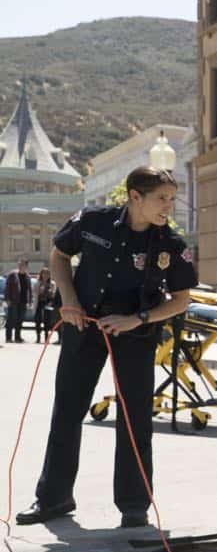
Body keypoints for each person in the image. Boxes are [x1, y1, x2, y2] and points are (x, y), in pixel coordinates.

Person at [16, 167, 198, 529]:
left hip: (135, 336)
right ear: (135, 196)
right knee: (67, 412)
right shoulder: (91, 221)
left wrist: (138, 319)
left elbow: (181, 300)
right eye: (161, 198)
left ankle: (134, 505)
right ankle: (54, 498)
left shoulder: (172, 245)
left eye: (171, 198)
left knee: (135, 419)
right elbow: (59, 255)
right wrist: (69, 300)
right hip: (83, 329)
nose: (169, 206)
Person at [4, 258, 32, 343]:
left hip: (23, 301)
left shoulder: (27, 276)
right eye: (19, 264)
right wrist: (7, 299)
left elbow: (29, 290)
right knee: (11, 319)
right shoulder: (12, 274)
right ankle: (8, 338)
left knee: (20, 320)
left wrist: (30, 301)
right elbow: (7, 287)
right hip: (13, 301)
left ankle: (17, 337)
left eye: (22, 264)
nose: (20, 266)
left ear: (26, 266)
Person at [34, 266, 58, 343]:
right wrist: (40, 290)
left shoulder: (52, 283)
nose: (45, 275)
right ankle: (38, 337)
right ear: (41, 274)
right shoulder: (37, 283)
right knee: (38, 320)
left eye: (47, 274)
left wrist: (51, 293)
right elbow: (35, 293)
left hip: (48, 303)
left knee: (47, 321)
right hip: (39, 303)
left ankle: (46, 338)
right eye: (43, 274)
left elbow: (54, 294)